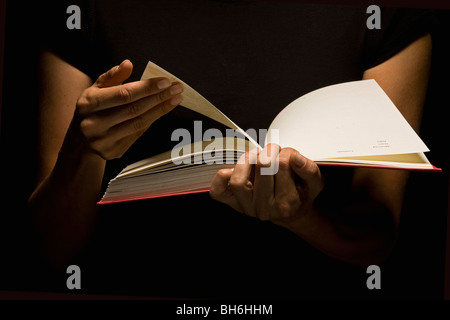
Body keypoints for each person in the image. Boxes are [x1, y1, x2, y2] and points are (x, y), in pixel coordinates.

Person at [29, 0, 435, 298]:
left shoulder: (387, 14)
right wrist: (81, 151)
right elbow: (50, 247)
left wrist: (301, 217)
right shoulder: (81, 10)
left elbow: (377, 239)